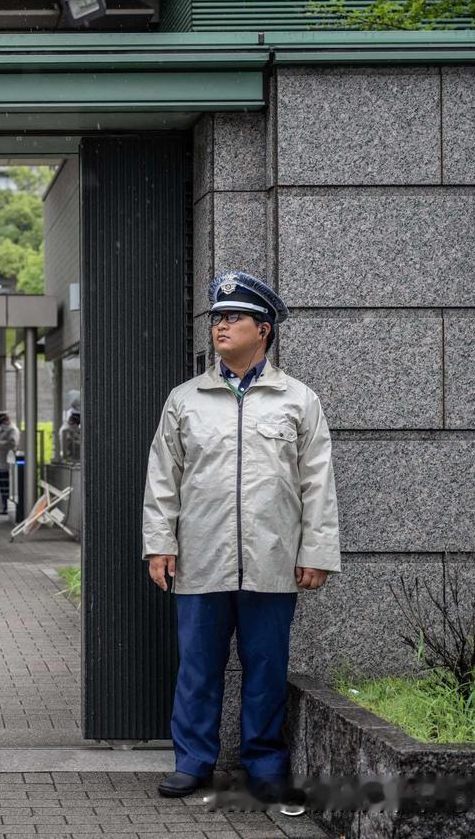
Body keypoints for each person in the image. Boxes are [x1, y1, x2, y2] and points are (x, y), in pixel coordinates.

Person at [142, 270, 341, 805]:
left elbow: (317, 482)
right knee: (198, 669)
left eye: (233, 317)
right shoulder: (186, 399)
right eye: (216, 318)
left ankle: (264, 764)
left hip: (272, 559)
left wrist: (317, 551)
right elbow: (162, 478)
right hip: (201, 557)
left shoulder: (297, 400)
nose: (220, 326)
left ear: (264, 329)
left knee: (266, 670)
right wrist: (160, 543)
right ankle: (192, 762)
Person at [0, 410, 19, 515]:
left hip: (6, 464)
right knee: (2, 487)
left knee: (6, 487)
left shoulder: (12, 430)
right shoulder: (2, 430)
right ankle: (5, 508)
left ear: (6, 419)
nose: (0, 424)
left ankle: (7, 508)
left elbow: (12, 443)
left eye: (1, 422)